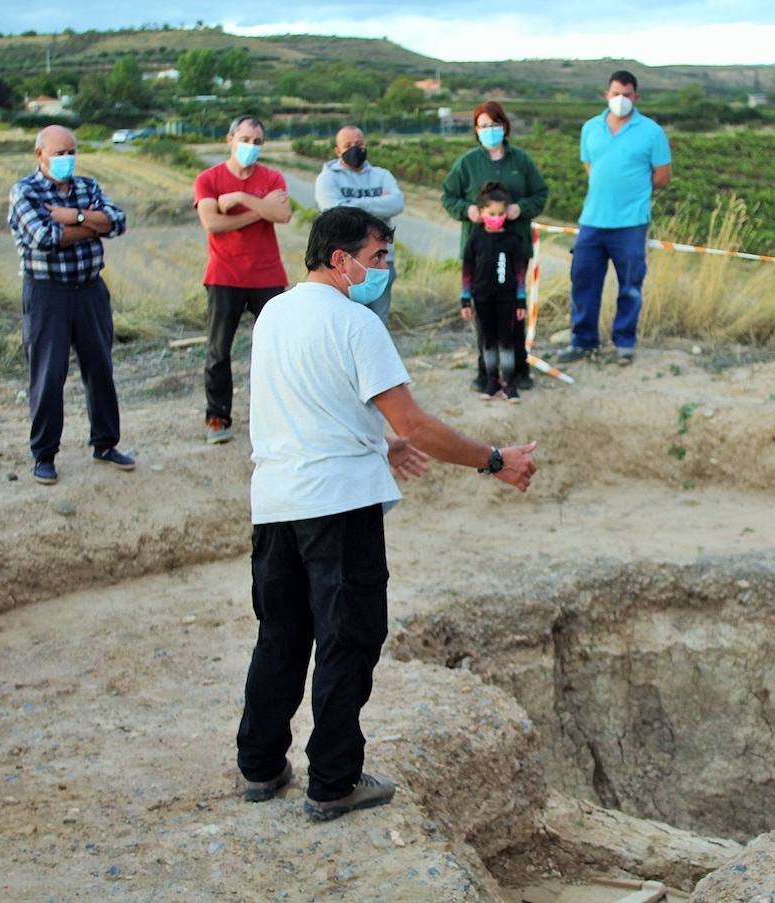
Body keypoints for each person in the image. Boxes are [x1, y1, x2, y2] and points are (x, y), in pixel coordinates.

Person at [235, 206, 538, 822]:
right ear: (339, 258)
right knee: (347, 640)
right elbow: (417, 423)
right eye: (376, 258)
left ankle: (261, 766)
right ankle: (335, 781)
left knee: (282, 636)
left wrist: (378, 443)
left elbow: (311, 401)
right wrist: (495, 459)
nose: (383, 270)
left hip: (275, 503)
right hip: (339, 505)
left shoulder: (274, 313)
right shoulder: (357, 323)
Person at [7, 125, 135, 485]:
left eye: (70, 152)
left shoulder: (88, 186)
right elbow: (45, 237)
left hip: (90, 289)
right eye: (59, 153)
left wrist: (74, 217)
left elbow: (119, 222)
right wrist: (93, 223)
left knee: (100, 368)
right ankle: (44, 454)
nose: (66, 159)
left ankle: (105, 443)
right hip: (49, 294)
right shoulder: (25, 191)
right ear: (40, 155)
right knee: (48, 375)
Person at [555, 70, 672, 367]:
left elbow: (662, 176)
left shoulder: (651, 131)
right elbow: (589, 165)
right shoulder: (590, 128)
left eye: (627, 94)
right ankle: (583, 341)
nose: (621, 99)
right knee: (583, 283)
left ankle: (624, 343)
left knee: (630, 286)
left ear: (636, 97)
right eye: (616, 93)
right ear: (606, 95)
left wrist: (634, 192)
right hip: (593, 221)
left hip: (631, 224)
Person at [194, 114, 292, 445]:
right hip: (225, 275)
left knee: (277, 351)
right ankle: (217, 417)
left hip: (268, 275)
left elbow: (283, 215)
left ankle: (279, 417)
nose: (251, 147)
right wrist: (261, 209)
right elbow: (213, 224)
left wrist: (239, 200)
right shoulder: (208, 179)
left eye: (257, 142)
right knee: (219, 351)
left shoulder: (272, 176)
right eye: (245, 139)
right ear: (230, 139)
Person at [441, 101, 548, 391]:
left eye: (495, 124)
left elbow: (540, 194)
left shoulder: (521, 161)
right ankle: (485, 372)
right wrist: (467, 210)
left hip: (515, 250)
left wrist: (521, 208)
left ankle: (519, 369)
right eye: (484, 125)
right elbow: (448, 196)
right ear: (476, 130)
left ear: (505, 126)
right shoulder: (467, 163)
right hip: (480, 253)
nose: (490, 130)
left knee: (514, 310)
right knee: (485, 314)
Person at [313, 126, 405, 327]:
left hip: (381, 260)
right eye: (348, 145)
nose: (355, 149)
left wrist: (353, 204)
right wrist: (377, 204)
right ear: (338, 151)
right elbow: (333, 210)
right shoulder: (328, 177)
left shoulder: (382, 175)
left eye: (359, 144)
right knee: (347, 320)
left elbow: (397, 203)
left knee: (378, 320)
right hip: (346, 263)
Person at [461, 181, 528, 403]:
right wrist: (465, 299)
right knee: (487, 340)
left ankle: (510, 382)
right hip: (481, 298)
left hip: (506, 299)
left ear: (507, 213)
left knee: (506, 340)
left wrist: (521, 301)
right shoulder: (476, 238)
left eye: (500, 213)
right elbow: (467, 270)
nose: (496, 216)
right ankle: (491, 381)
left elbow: (519, 274)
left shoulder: (512, 240)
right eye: (491, 213)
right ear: (481, 212)